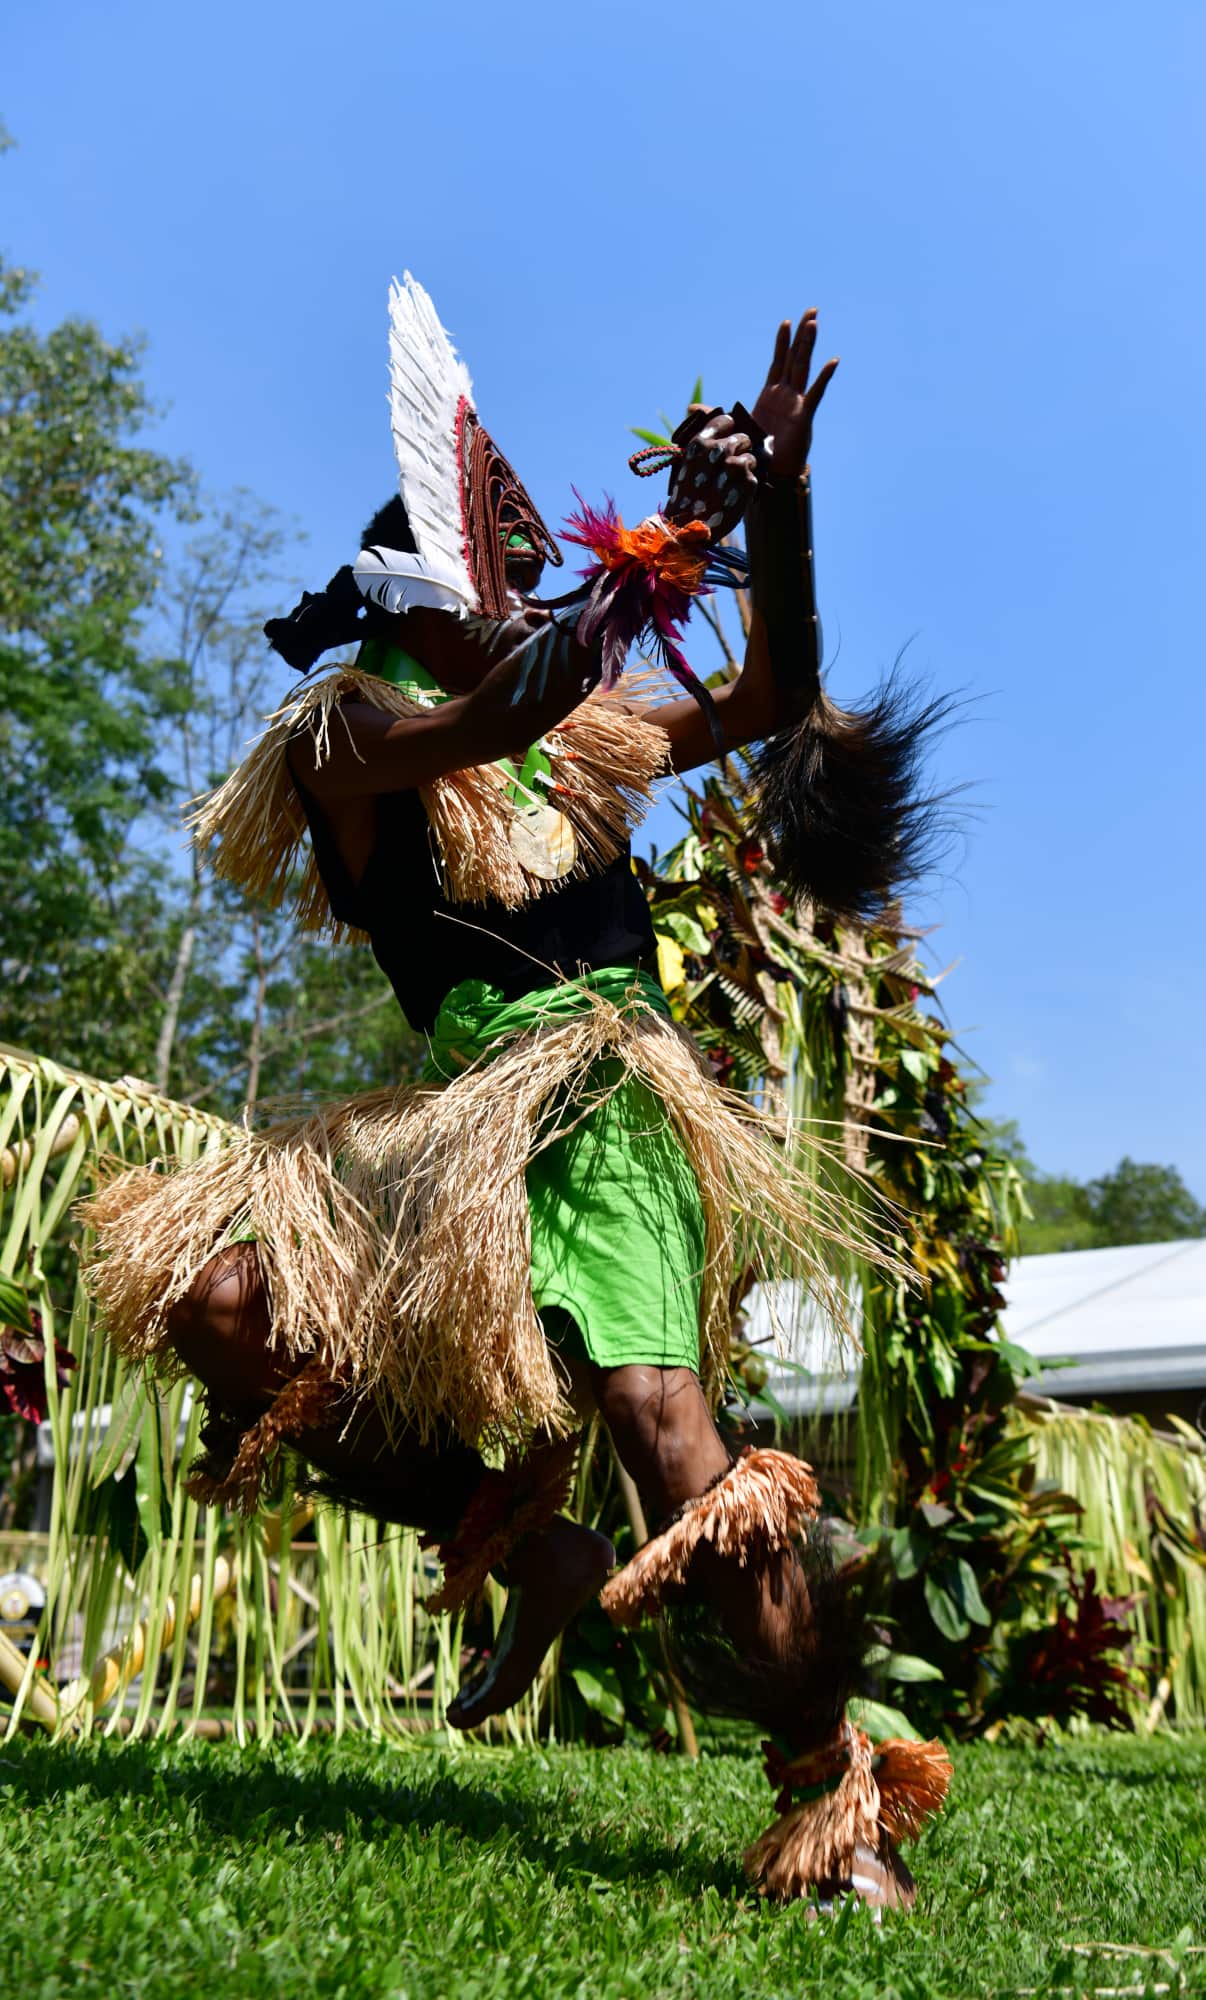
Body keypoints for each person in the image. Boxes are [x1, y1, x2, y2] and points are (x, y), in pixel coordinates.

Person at [85, 278, 950, 1907]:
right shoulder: (349, 738)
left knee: (662, 1428)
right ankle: (515, 1536)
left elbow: (771, 696)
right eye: (501, 565)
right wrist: (662, 556)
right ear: (423, 592)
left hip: (609, 1101)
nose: (532, 571)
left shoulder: (589, 735)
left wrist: (774, 522)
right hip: (442, 1139)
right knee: (215, 1300)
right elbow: (500, 705)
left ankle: (826, 1799)